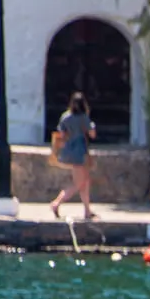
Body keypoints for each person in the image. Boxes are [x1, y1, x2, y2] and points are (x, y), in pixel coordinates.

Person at [51, 91, 97, 220]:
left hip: (68, 151)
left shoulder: (65, 117)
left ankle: (87, 210)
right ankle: (56, 203)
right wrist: (91, 124)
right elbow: (92, 134)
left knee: (85, 182)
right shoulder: (83, 118)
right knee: (79, 183)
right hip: (80, 153)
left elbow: (61, 133)